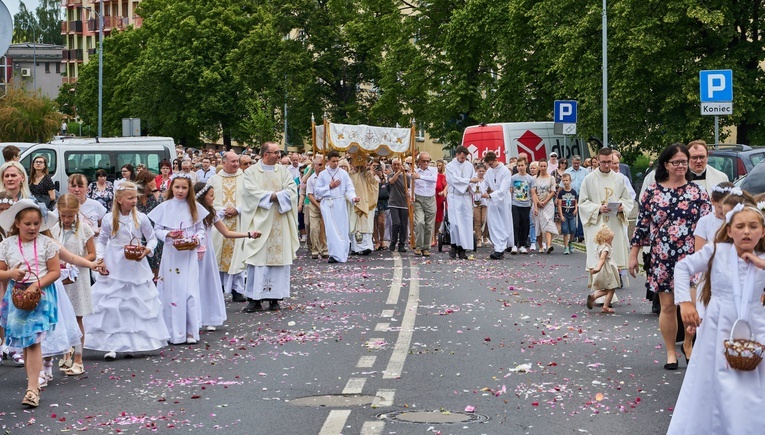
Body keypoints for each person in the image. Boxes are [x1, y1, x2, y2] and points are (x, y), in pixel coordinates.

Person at [667, 203, 765, 435]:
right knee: (716, 380)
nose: (747, 232)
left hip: (756, 324)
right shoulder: (716, 251)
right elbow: (682, 267)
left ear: (763, 231)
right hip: (718, 325)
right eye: (740, 226)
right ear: (729, 231)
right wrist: (685, 303)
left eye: (753, 226)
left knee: (751, 385)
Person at [628, 143, 711, 370]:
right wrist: (633, 255)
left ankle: (688, 344)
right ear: (666, 164)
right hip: (662, 256)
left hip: (691, 255)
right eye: (676, 162)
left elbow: (708, 226)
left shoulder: (698, 192)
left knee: (691, 304)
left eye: (684, 161)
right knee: (667, 307)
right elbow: (642, 225)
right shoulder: (652, 192)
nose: (681, 166)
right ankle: (670, 352)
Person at [85, 182, 169, 360]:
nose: (134, 201)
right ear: (120, 199)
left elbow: (152, 239)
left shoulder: (141, 218)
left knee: (133, 305)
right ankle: (111, 345)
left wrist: (147, 250)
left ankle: (133, 343)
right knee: (113, 305)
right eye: (130, 198)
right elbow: (101, 241)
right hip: (115, 262)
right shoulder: (109, 219)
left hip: (135, 264)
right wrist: (100, 259)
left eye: (135, 198)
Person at [0, 199, 61, 407]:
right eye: (28, 224)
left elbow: (55, 271)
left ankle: (32, 388)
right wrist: (11, 273)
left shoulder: (46, 244)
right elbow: (1, 272)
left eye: (36, 223)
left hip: (40, 296)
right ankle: (33, 382)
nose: (33, 228)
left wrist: (37, 284)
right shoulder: (7, 245)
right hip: (17, 296)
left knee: (33, 341)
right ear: (17, 223)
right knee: (25, 343)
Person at [231, 142, 300, 312]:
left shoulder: (283, 171)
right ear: (265, 154)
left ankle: (275, 298)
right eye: (275, 152)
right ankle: (255, 299)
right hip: (259, 222)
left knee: (278, 261)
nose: (279, 155)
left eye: (279, 152)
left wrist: (278, 196)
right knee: (257, 261)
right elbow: (249, 192)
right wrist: (273, 196)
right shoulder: (251, 172)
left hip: (279, 220)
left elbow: (292, 190)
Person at [148, 174, 208, 345]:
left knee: (189, 291)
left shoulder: (194, 207)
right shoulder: (165, 207)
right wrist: (169, 234)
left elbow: (201, 230)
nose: (180, 191)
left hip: (188, 255)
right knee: (172, 291)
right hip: (171, 254)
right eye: (177, 187)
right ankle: (172, 331)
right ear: (171, 188)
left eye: (184, 188)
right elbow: (157, 230)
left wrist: (196, 238)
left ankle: (190, 330)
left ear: (189, 190)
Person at [194, 183, 260, 330]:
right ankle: (194, 318)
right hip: (192, 251)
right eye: (211, 195)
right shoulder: (191, 213)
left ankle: (209, 317)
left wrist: (248, 234)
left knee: (208, 284)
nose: (213, 198)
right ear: (202, 196)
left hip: (207, 252)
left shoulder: (212, 213)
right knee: (194, 284)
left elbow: (227, 232)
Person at [50, 194, 95, 376]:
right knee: (62, 318)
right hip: (60, 278)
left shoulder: (84, 229)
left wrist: (75, 262)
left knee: (77, 317)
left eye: (71, 215)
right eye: (64, 215)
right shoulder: (53, 230)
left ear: (77, 212)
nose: (67, 219)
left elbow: (92, 254)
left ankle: (78, 357)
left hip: (79, 278)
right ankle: (66, 352)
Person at [580, 147, 635, 281]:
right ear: (598, 160)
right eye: (603, 162)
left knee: (613, 257)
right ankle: (599, 291)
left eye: (609, 162)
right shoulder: (589, 179)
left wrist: (622, 207)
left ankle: (611, 290)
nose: (606, 165)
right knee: (597, 258)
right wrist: (598, 208)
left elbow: (628, 199)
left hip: (614, 223)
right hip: (597, 223)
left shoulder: (619, 179)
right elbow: (582, 202)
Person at [206, 151, 247, 302]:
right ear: (224, 163)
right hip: (219, 221)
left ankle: (237, 289)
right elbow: (208, 200)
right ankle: (220, 287)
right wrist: (222, 210)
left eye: (237, 161)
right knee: (218, 255)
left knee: (238, 255)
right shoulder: (213, 179)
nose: (236, 164)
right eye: (233, 161)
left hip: (240, 220)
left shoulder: (245, 178)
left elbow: (250, 198)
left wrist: (238, 209)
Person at [314, 150, 360, 263]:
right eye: (333, 161)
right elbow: (317, 192)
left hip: (340, 203)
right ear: (328, 161)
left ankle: (342, 254)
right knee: (331, 230)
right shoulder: (323, 174)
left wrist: (353, 198)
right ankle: (333, 254)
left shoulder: (343, 174)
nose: (335, 163)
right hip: (328, 204)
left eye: (337, 161)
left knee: (342, 229)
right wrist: (329, 187)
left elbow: (349, 189)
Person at [640, 139, 728, 198]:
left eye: (702, 157)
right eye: (694, 157)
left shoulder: (721, 178)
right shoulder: (664, 175)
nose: (698, 161)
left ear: (707, 157)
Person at [445, 146, 478, 259]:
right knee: (455, 224)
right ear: (457, 154)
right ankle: (454, 245)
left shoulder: (469, 165)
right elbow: (453, 180)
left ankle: (462, 249)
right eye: (461, 157)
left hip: (466, 197)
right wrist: (468, 181)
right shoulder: (450, 166)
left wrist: (470, 185)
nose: (463, 159)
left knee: (465, 223)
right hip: (455, 196)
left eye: (465, 158)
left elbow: (475, 178)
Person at [482, 152, 513, 259]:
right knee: (493, 223)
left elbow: (503, 189)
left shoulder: (505, 171)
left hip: (502, 200)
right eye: (488, 165)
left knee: (503, 223)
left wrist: (491, 195)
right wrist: (481, 190)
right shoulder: (489, 171)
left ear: (496, 160)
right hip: (492, 200)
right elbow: (485, 183)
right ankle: (498, 247)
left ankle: (501, 248)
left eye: (491, 164)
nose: (490, 166)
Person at [135, 170, 164, 280]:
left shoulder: (154, 196)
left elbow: (162, 208)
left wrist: (155, 190)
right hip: (139, 234)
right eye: (150, 183)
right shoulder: (135, 196)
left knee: (156, 263)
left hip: (154, 233)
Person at [586, 225, 620, 314]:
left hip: (606, 268)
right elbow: (602, 259)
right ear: (606, 239)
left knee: (607, 289)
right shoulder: (606, 248)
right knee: (611, 289)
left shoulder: (599, 246)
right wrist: (597, 268)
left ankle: (594, 296)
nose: (611, 242)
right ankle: (605, 307)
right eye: (611, 240)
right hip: (607, 270)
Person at [349, 157, 379, 256]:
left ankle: (366, 246)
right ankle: (355, 247)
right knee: (355, 225)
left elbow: (375, 185)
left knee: (366, 224)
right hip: (354, 203)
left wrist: (367, 174)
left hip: (367, 202)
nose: (360, 167)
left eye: (362, 165)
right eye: (358, 165)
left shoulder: (368, 175)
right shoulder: (350, 175)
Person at [412, 152, 437, 257]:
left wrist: (420, 177)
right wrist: (411, 196)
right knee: (419, 223)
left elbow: (434, 179)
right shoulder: (414, 172)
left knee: (429, 225)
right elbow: (411, 185)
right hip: (418, 198)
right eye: (424, 161)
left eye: (428, 161)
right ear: (419, 162)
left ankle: (426, 248)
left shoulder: (433, 170)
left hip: (430, 198)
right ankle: (418, 246)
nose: (426, 163)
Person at [533, 160, 558, 254]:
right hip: (537, 203)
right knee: (538, 224)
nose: (543, 168)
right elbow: (533, 192)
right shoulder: (534, 178)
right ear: (539, 167)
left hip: (548, 204)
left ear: (547, 166)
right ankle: (540, 246)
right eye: (541, 166)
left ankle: (549, 245)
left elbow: (553, 191)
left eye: (544, 166)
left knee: (548, 222)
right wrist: (538, 202)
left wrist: (546, 201)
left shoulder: (551, 178)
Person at [510, 156, 534, 254]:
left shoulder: (530, 178)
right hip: (515, 203)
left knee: (524, 225)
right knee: (515, 224)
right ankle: (514, 244)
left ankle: (522, 245)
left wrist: (534, 205)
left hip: (526, 204)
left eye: (522, 165)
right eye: (518, 166)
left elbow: (532, 192)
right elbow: (511, 190)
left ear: (526, 166)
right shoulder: (513, 178)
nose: (520, 167)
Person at [306, 156, 328, 259]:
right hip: (314, 203)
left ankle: (324, 249)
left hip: (325, 203)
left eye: (323, 164)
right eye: (319, 165)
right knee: (314, 228)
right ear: (314, 166)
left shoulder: (327, 177)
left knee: (324, 228)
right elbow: (309, 194)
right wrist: (318, 205)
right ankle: (315, 249)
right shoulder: (311, 179)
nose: (321, 167)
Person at [387, 158, 410, 253]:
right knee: (396, 223)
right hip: (394, 203)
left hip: (404, 203)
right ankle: (393, 241)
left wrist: (409, 194)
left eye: (398, 164)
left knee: (404, 225)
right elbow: (391, 181)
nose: (396, 166)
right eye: (394, 165)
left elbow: (409, 188)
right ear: (392, 166)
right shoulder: (391, 175)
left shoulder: (407, 177)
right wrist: (399, 172)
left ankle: (402, 244)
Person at [565, 155, 588, 242]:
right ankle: (573, 234)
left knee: (581, 216)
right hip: (570, 196)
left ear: (580, 162)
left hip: (582, 195)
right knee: (572, 216)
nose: (576, 165)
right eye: (574, 163)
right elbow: (563, 184)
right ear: (572, 162)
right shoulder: (568, 172)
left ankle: (580, 234)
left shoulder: (585, 172)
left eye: (578, 163)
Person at [557, 173, 578, 254]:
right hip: (564, 213)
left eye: (566, 180)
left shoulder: (573, 192)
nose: (565, 182)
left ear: (570, 181)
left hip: (572, 213)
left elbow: (576, 202)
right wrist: (561, 215)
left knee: (573, 229)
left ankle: (570, 242)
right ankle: (566, 247)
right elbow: (559, 204)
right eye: (563, 181)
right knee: (565, 230)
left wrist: (576, 209)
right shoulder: (561, 192)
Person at [470, 163, 489, 248]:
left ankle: (484, 236)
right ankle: (478, 239)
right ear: (476, 171)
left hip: (485, 202)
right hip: (476, 202)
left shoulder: (487, 180)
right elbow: (469, 188)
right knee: (477, 221)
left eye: (483, 171)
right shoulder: (474, 180)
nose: (481, 173)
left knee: (484, 220)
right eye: (479, 171)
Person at [373, 161, 389, 251]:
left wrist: (381, 176)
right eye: (374, 166)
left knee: (381, 221)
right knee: (373, 222)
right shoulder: (369, 175)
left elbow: (386, 186)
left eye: (377, 166)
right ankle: (377, 241)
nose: (376, 168)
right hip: (372, 200)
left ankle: (382, 239)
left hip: (381, 200)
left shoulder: (384, 176)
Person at [433, 159, 448, 247]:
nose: (438, 167)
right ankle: (430, 237)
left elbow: (446, 186)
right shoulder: (432, 176)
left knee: (438, 219)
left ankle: (434, 236)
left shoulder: (442, 176)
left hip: (439, 199)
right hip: (431, 198)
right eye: (437, 165)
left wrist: (443, 192)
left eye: (440, 166)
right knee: (430, 218)